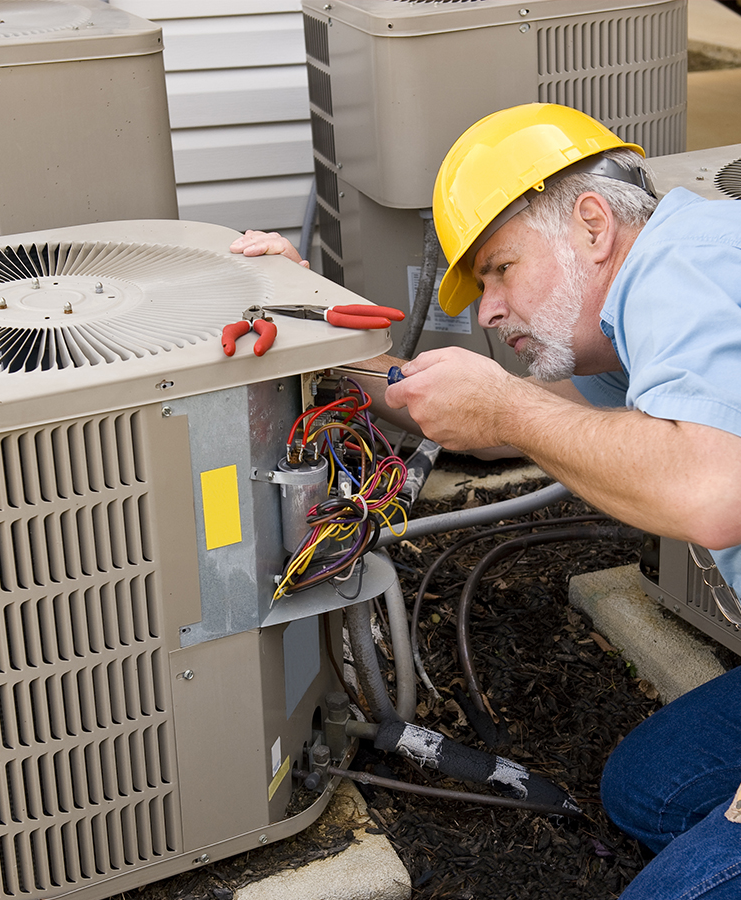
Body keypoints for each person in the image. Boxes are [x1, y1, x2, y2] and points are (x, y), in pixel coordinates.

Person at [231, 102, 741, 899]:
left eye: (500, 268)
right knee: (649, 793)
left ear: (593, 224)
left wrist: (508, 406)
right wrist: (320, 334)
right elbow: (515, 427)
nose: (488, 312)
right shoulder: (633, 313)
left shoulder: (690, 269)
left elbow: (712, 491)